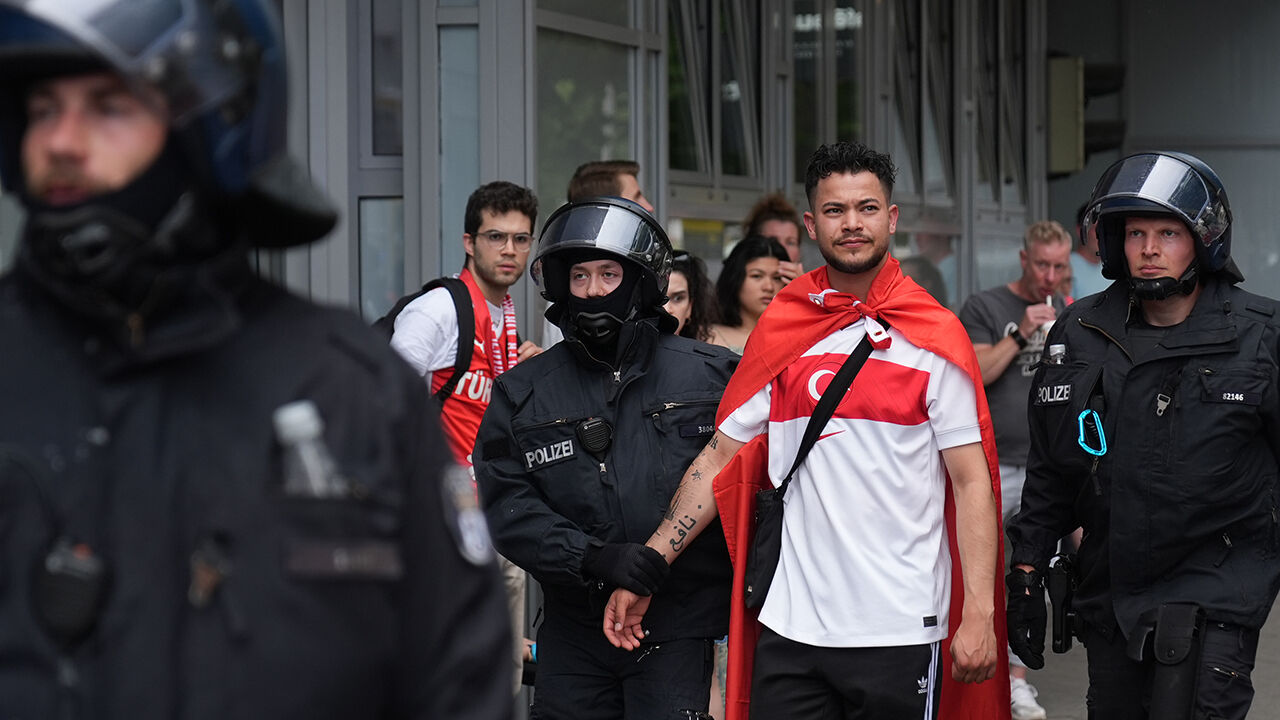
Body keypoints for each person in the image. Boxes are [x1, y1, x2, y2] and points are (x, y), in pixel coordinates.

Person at [0, 2, 512, 719]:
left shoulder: (350, 390)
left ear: (209, 124)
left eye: (108, 106)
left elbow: (461, 687)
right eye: (42, 107)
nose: (60, 141)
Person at [603, 141, 1010, 720]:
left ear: (891, 218)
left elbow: (972, 483)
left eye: (867, 208)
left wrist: (979, 616)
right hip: (791, 626)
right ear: (811, 223)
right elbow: (720, 457)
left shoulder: (934, 336)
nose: (852, 224)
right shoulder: (786, 324)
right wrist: (652, 562)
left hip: (899, 626)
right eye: (836, 210)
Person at [1007, 152, 1280, 720]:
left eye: (1167, 232)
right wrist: (1027, 572)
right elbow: (1052, 469)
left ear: (1202, 240)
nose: (1149, 249)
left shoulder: (1260, 337)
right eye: (1135, 232)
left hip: (1219, 589)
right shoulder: (1078, 334)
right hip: (1112, 593)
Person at [474, 197, 739, 719]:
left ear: (639, 282)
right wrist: (592, 557)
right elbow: (506, 503)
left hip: (677, 625)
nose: (593, 290)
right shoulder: (522, 392)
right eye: (579, 277)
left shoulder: (713, 376)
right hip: (574, 628)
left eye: (608, 274)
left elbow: (749, 484)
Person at [390, 180, 541, 693]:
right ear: (468, 242)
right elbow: (390, 403)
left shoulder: (505, 319)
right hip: (441, 524)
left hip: (493, 518)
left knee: (499, 683)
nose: (509, 250)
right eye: (496, 237)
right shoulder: (440, 309)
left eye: (521, 240)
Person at [958, 220, 1072, 720]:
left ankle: (1020, 679)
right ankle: (985, 681)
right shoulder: (985, 307)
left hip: (1049, 468)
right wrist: (1023, 331)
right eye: (1042, 264)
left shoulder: (1071, 311)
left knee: (1035, 575)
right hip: (991, 465)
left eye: (1060, 266)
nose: (1050, 276)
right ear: (1025, 260)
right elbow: (973, 374)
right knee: (988, 573)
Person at [542, 159, 657, 347]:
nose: (648, 206)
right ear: (609, 208)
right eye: (636, 197)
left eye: (609, 274)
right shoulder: (570, 302)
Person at [707, 235, 789, 354]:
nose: (769, 287)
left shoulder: (795, 335)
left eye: (777, 278)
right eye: (757, 276)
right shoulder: (707, 335)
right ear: (735, 279)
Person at [742, 192, 805, 283]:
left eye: (790, 242)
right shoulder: (739, 288)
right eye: (773, 241)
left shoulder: (812, 292)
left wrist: (804, 289)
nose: (782, 248)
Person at [666, 249, 715, 342]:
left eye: (678, 298)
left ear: (690, 306)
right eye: (658, 298)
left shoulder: (704, 354)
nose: (667, 309)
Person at [1070, 201, 1109, 299]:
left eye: (1106, 230)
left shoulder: (1112, 269)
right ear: (1081, 231)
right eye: (1097, 230)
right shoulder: (1063, 266)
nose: (1102, 236)